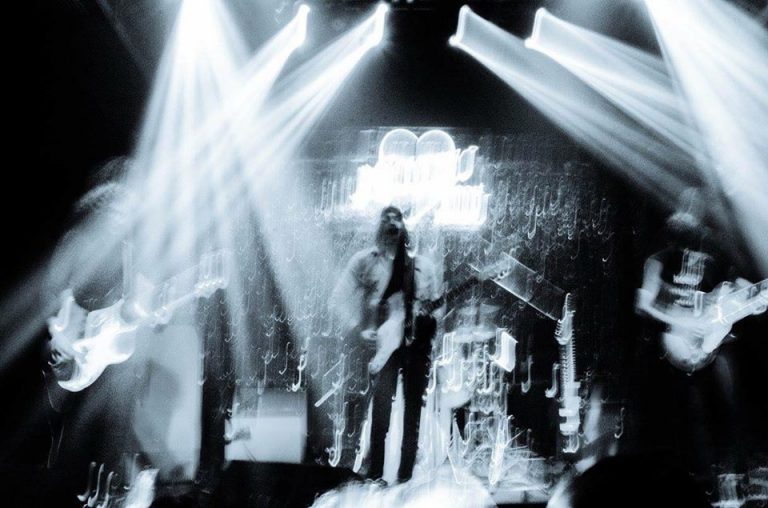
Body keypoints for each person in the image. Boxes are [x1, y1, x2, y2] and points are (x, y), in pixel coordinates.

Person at [634, 188, 761, 490]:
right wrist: (684, 320)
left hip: (711, 344)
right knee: (678, 417)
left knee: (728, 407)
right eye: (688, 209)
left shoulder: (716, 256)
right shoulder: (661, 256)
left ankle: (729, 477)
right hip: (670, 345)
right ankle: (678, 480)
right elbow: (644, 302)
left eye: (699, 210)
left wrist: (753, 300)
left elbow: (735, 289)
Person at [331, 206, 443, 484]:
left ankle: (405, 478)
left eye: (398, 219)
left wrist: (428, 318)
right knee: (380, 411)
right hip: (383, 349)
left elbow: (439, 307)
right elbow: (337, 299)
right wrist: (358, 329)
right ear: (380, 227)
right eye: (387, 219)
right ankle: (375, 475)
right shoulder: (364, 261)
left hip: (417, 347)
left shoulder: (423, 266)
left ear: (405, 227)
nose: (393, 225)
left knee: (412, 413)